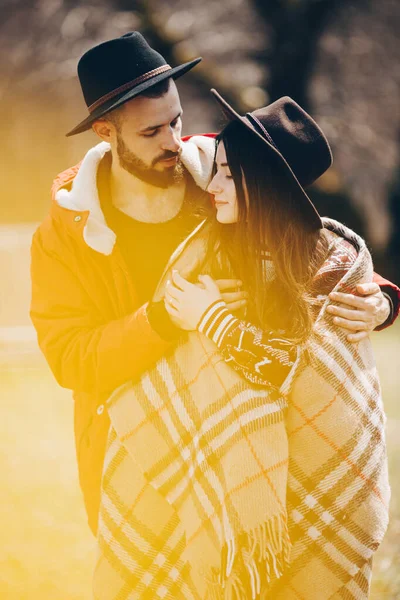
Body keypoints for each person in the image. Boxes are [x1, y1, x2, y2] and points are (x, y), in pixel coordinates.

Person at [30, 31, 399, 541]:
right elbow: (69, 357)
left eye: (177, 120)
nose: (172, 141)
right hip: (137, 455)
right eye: (151, 131)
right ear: (104, 133)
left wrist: (380, 300)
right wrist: (161, 319)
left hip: (254, 446)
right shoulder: (65, 232)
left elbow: (304, 236)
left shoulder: (222, 168)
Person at [96, 92, 392, 599]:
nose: (211, 184)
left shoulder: (332, 261)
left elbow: (283, 366)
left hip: (314, 475)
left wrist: (386, 301)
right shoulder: (211, 250)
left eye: (228, 174)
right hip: (220, 463)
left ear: (266, 185)